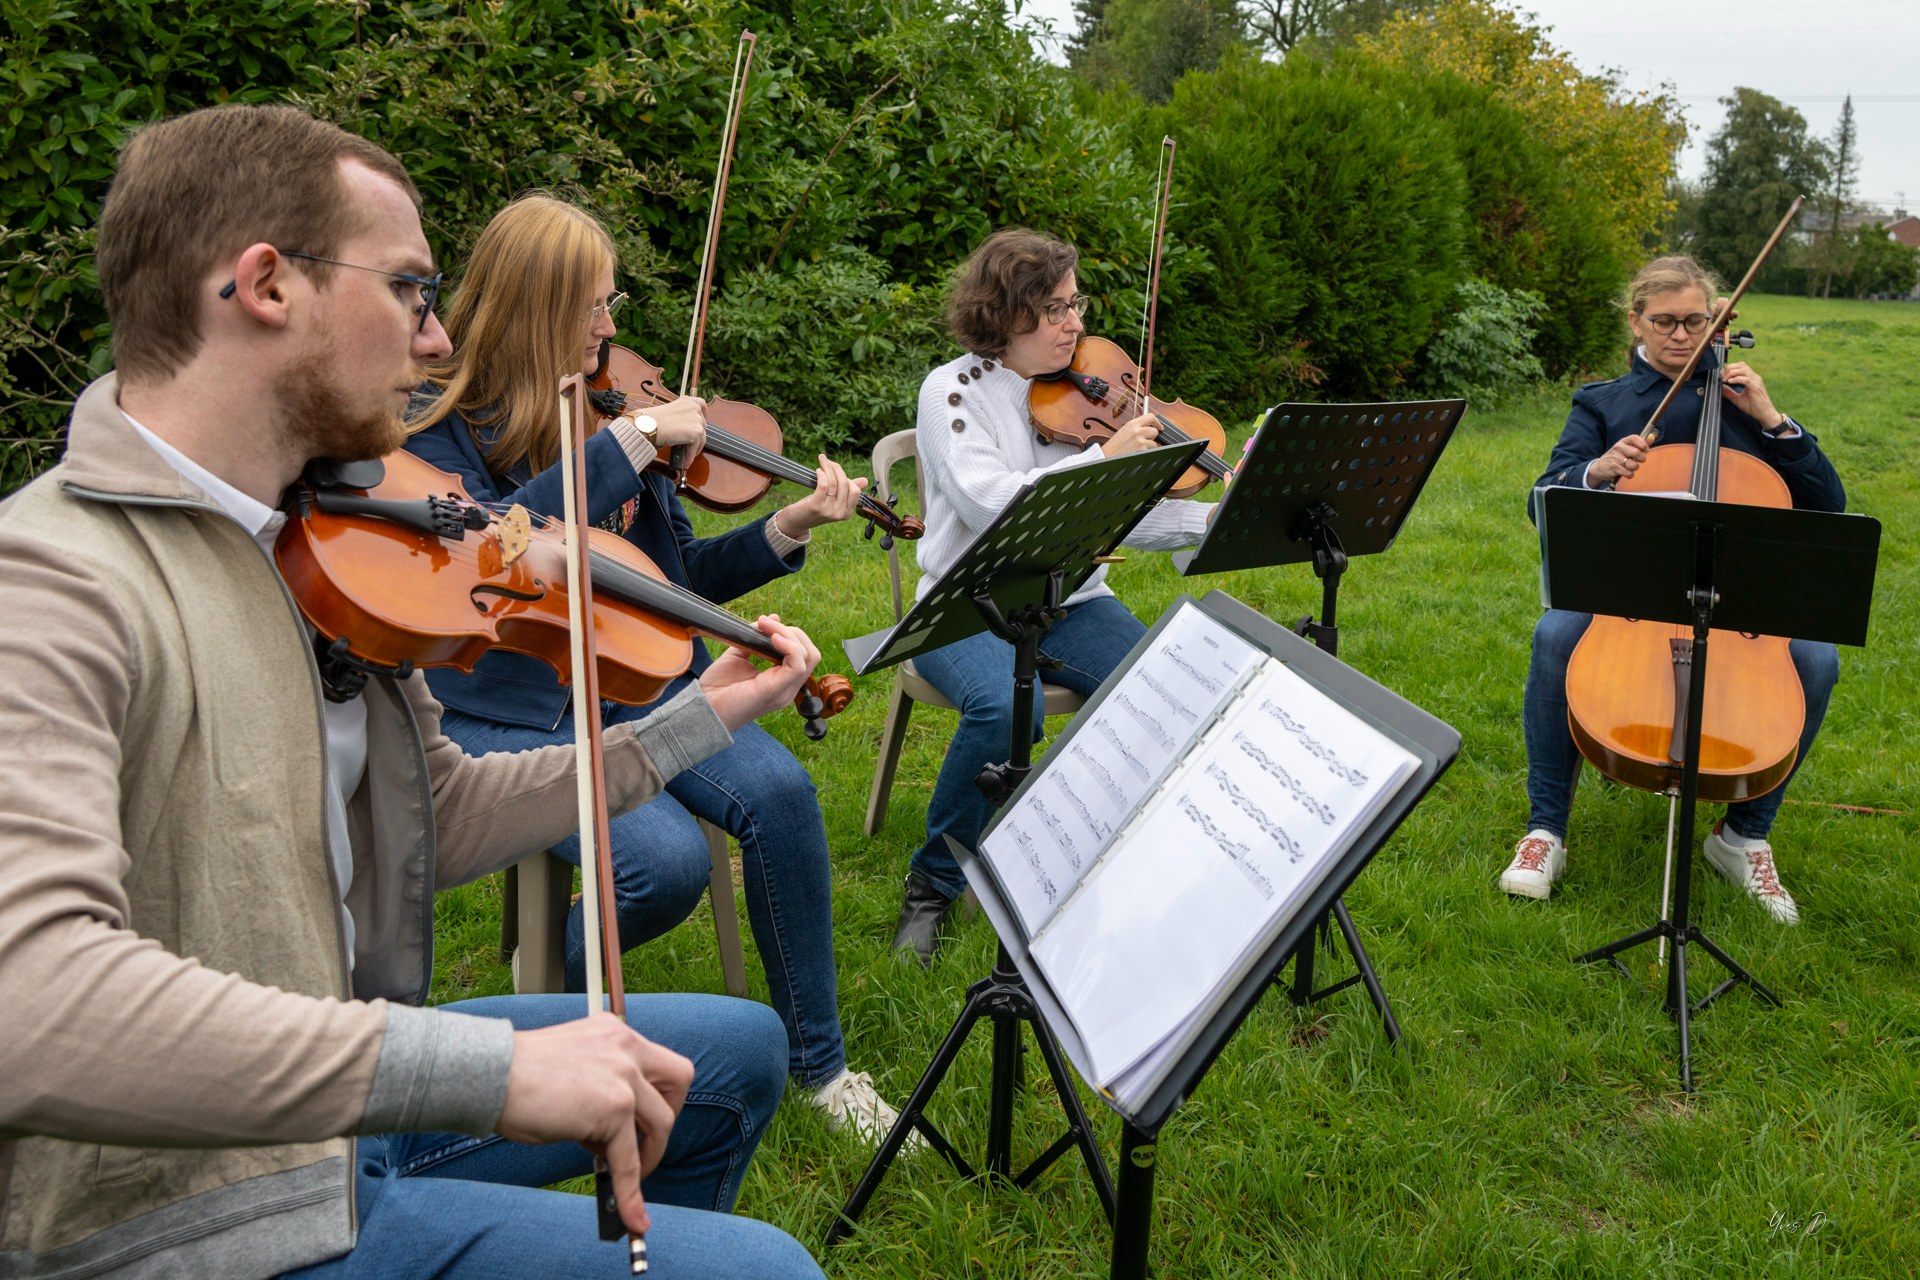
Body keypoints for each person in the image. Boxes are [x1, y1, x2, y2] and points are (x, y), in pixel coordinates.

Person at [0, 104, 829, 1279]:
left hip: (344, 1121)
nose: (437, 342)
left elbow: (440, 811)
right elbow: (29, 1006)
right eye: (409, 291)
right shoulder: (53, 578)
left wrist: (693, 723)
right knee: (777, 1271)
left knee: (734, 1051)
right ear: (267, 284)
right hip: (191, 1212)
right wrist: (493, 1070)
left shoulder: (331, 543)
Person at [405, 193, 912, 1143]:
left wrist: (786, 525)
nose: (610, 329)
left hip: (635, 674)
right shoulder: (436, 425)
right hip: (508, 703)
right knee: (666, 866)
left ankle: (824, 1069)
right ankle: (549, 996)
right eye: (595, 307)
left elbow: (680, 579)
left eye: (611, 305)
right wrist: (622, 450)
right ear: (538, 308)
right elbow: (497, 545)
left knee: (784, 794)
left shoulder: (611, 421)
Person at [890, 227, 1218, 962]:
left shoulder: (1081, 395)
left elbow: (1127, 515)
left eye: (1076, 304)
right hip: (967, 600)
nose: (1076, 322)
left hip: (1072, 596)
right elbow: (989, 503)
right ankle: (934, 886)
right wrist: (1103, 458)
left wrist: (1218, 517)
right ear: (1006, 314)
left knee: (1160, 691)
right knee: (1010, 705)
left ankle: (1078, 856)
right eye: (1056, 308)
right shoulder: (953, 391)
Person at [1500, 254, 1845, 924]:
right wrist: (1595, 473)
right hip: (1631, 592)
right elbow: (1543, 498)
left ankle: (1743, 836)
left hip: (1739, 595)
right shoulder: (1602, 403)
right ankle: (1547, 830)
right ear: (1637, 321)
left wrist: (1774, 420)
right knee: (1556, 634)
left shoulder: (1743, 400)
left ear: (1716, 320)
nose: (1681, 336)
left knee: (1816, 659)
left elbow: (1826, 506)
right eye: (1665, 322)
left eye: (1694, 321)